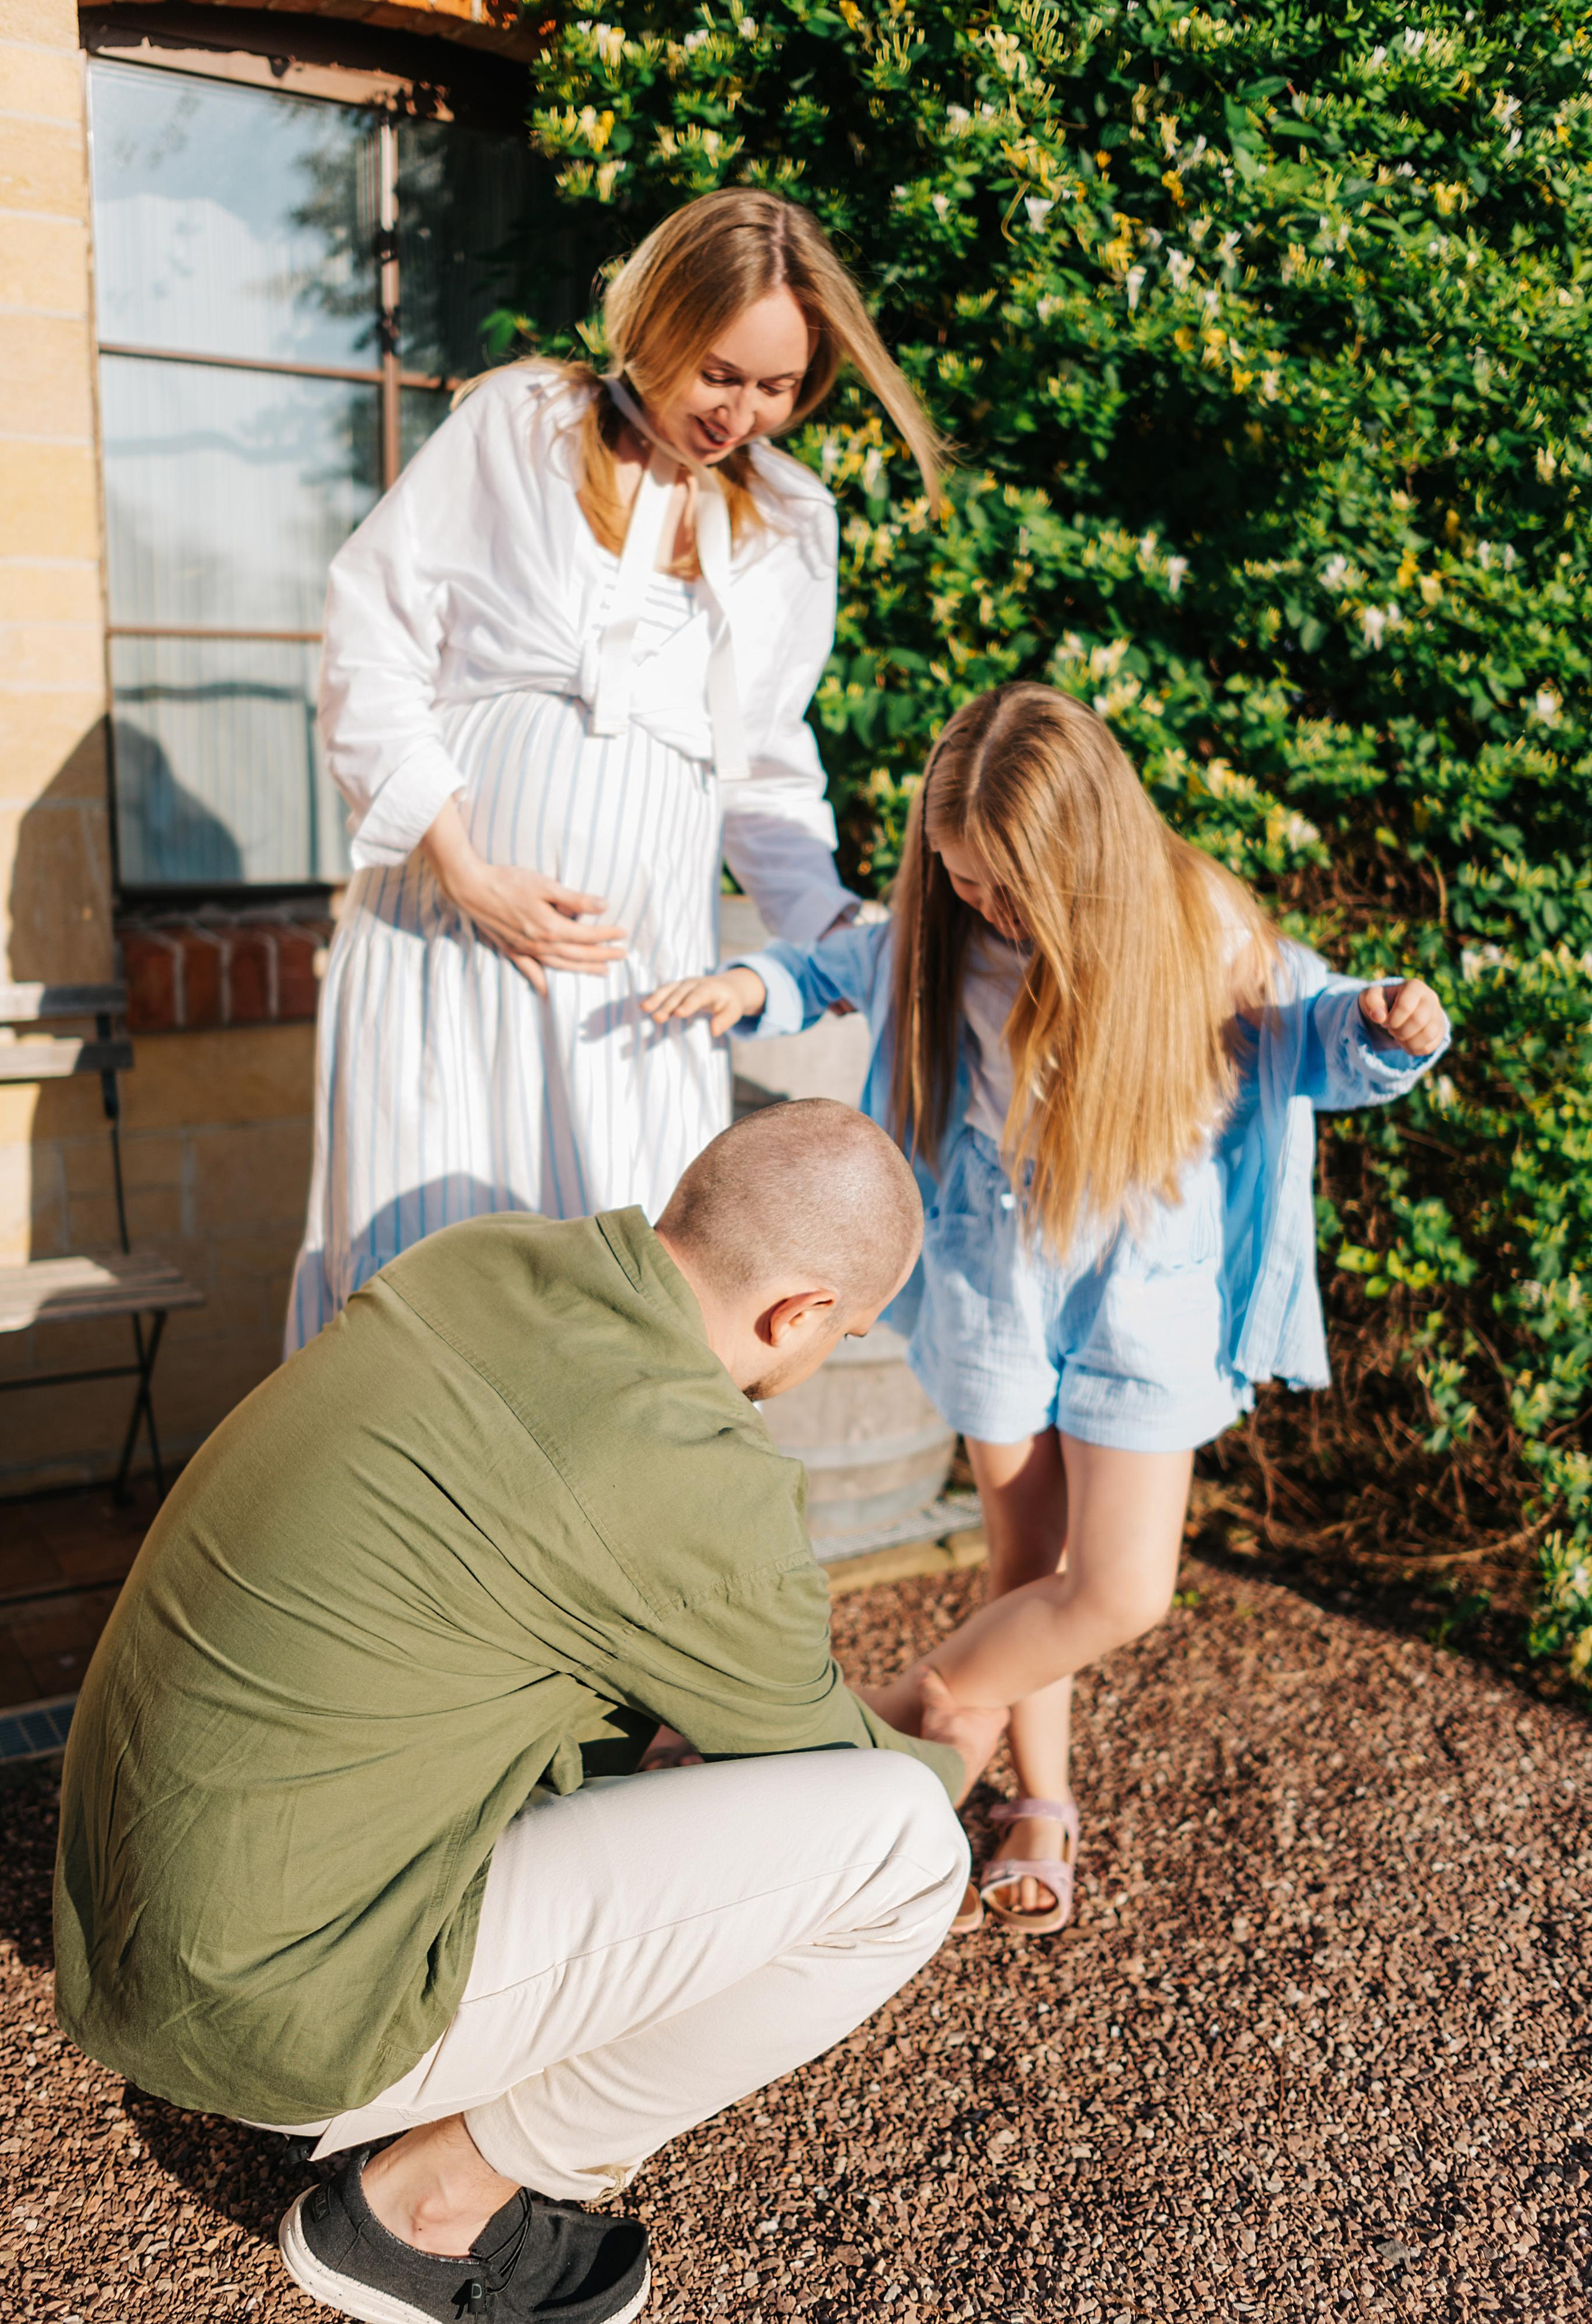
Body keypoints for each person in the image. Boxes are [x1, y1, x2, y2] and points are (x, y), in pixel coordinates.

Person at [55, 1100, 1005, 2324]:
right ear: (800, 1314)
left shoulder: (479, 1256)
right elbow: (837, 1773)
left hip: (120, 1928)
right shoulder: (694, 1466)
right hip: (269, 2009)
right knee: (906, 1853)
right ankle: (426, 2207)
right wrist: (946, 1748)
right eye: (846, 1332)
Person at [644, 682, 1451, 1936]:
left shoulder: (1199, 925)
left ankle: (900, 1718)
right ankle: (1040, 1802)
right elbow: (834, 961)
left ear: (1083, 852)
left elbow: (1310, 1032)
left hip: (1144, 1292)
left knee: (1117, 1587)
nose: (983, 907)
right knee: (1024, 1566)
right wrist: (755, 989)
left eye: (1007, 886)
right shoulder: (946, 930)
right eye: (963, 878)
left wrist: (1385, 1027)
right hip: (998, 1277)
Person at [285, 187, 944, 1351]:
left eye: (777, 387)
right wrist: (467, 868)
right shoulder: (523, 426)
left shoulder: (791, 522)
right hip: (450, 945)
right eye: (719, 373)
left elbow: (770, 768)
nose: (741, 412)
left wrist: (839, 935)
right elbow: (370, 636)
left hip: (640, 990)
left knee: (624, 1297)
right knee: (427, 1286)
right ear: (659, 325)